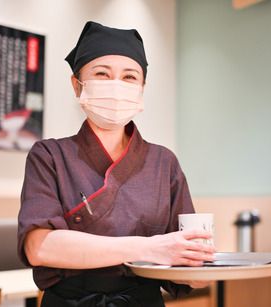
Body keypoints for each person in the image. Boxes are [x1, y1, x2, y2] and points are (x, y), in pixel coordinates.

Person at [17, 21, 215, 307]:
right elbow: (39, 247)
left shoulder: (164, 163)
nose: (116, 86)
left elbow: (188, 269)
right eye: (102, 74)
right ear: (77, 84)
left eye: (129, 77)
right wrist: (149, 248)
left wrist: (200, 266)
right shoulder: (49, 156)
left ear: (142, 87)